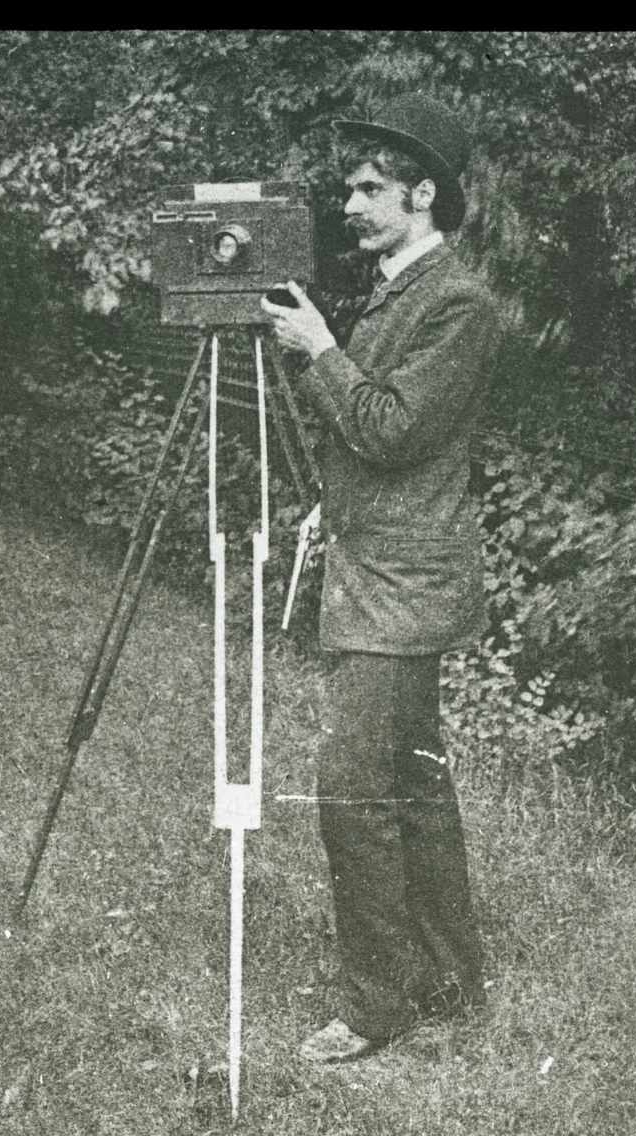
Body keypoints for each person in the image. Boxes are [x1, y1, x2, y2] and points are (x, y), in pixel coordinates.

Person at [261, 94, 504, 1064]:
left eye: (368, 189)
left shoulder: (458, 302)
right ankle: (448, 981)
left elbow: (392, 428)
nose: (349, 205)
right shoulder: (399, 289)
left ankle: (375, 1007)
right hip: (381, 569)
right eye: (349, 188)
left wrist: (318, 350)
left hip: (401, 590)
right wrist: (335, 500)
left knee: (353, 789)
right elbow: (376, 439)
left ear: (422, 192)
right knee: (409, 788)